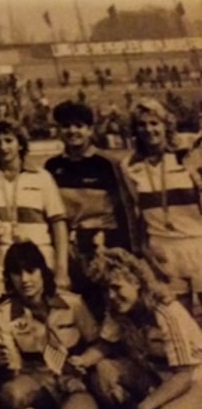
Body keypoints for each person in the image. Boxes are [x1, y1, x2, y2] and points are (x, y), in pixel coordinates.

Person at [69, 248, 202, 409]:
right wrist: (83, 360)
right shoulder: (119, 310)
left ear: (137, 282)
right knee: (103, 368)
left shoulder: (165, 311)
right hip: (160, 375)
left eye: (116, 287)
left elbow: (184, 375)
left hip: (194, 378)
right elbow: (106, 345)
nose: (111, 296)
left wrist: (146, 406)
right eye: (106, 289)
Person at [0, 241, 101, 409]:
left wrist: (84, 361)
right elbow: (10, 368)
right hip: (36, 382)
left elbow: (99, 343)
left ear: (42, 271)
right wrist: (4, 365)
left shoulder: (72, 303)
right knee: (10, 395)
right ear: (9, 278)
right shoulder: (4, 313)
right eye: (17, 273)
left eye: (31, 271)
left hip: (75, 383)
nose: (25, 280)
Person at [45, 100, 137, 319]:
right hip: (70, 248)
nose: (73, 131)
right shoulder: (52, 166)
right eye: (66, 126)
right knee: (79, 306)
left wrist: (129, 249)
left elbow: (127, 208)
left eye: (79, 126)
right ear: (58, 131)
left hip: (104, 244)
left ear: (89, 129)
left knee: (113, 305)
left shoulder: (108, 163)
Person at [118, 98, 202, 309]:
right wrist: (143, 253)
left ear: (166, 125)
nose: (149, 129)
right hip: (162, 250)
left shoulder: (187, 156)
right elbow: (133, 214)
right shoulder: (128, 165)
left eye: (155, 123)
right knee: (177, 320)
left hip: (197, 242)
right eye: (142, 124)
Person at [0, 119, 70, 299]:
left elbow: (58, 224)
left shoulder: (41, 177)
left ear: (20, 144)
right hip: (4, 263)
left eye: (8, 140)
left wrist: (62, 269)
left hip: (40, 260)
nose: (3, 147)